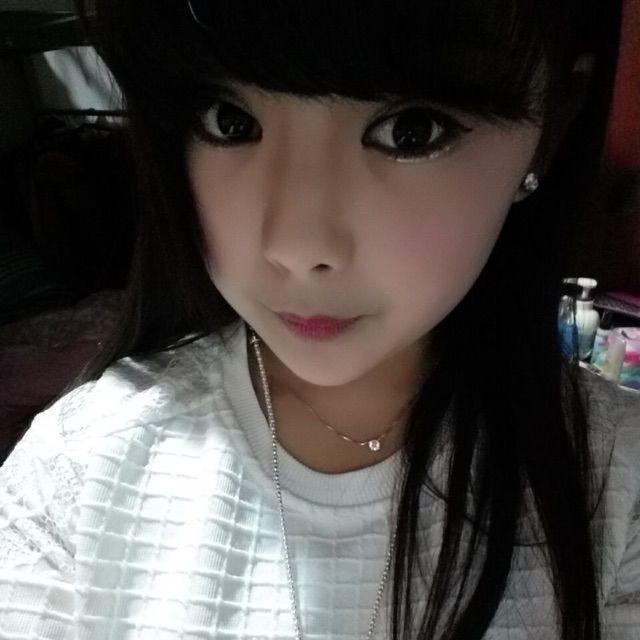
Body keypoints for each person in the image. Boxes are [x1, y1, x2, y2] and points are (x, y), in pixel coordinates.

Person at [1, 1, 639, 638]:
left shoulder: (621, 486)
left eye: (411, 131)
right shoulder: (74, 473)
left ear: (551, 125)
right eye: (230, 122)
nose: (296, 246)